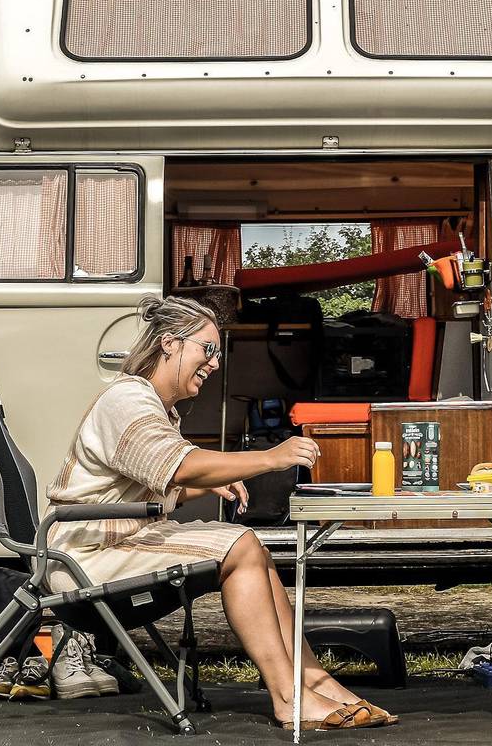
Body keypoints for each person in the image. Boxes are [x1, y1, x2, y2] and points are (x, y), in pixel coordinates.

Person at [45, 294, 396, 730]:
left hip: (113, 544)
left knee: (254, 551)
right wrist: (272, 457)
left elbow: (162, 481)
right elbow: (182, 464)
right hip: (87, 557)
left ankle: (314, 679)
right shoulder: (127, 401)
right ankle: (290, 698)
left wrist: (202, 483)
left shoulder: (152, 404)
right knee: (241, 544)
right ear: (169, 344)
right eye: (206, 349)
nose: (213, 363)